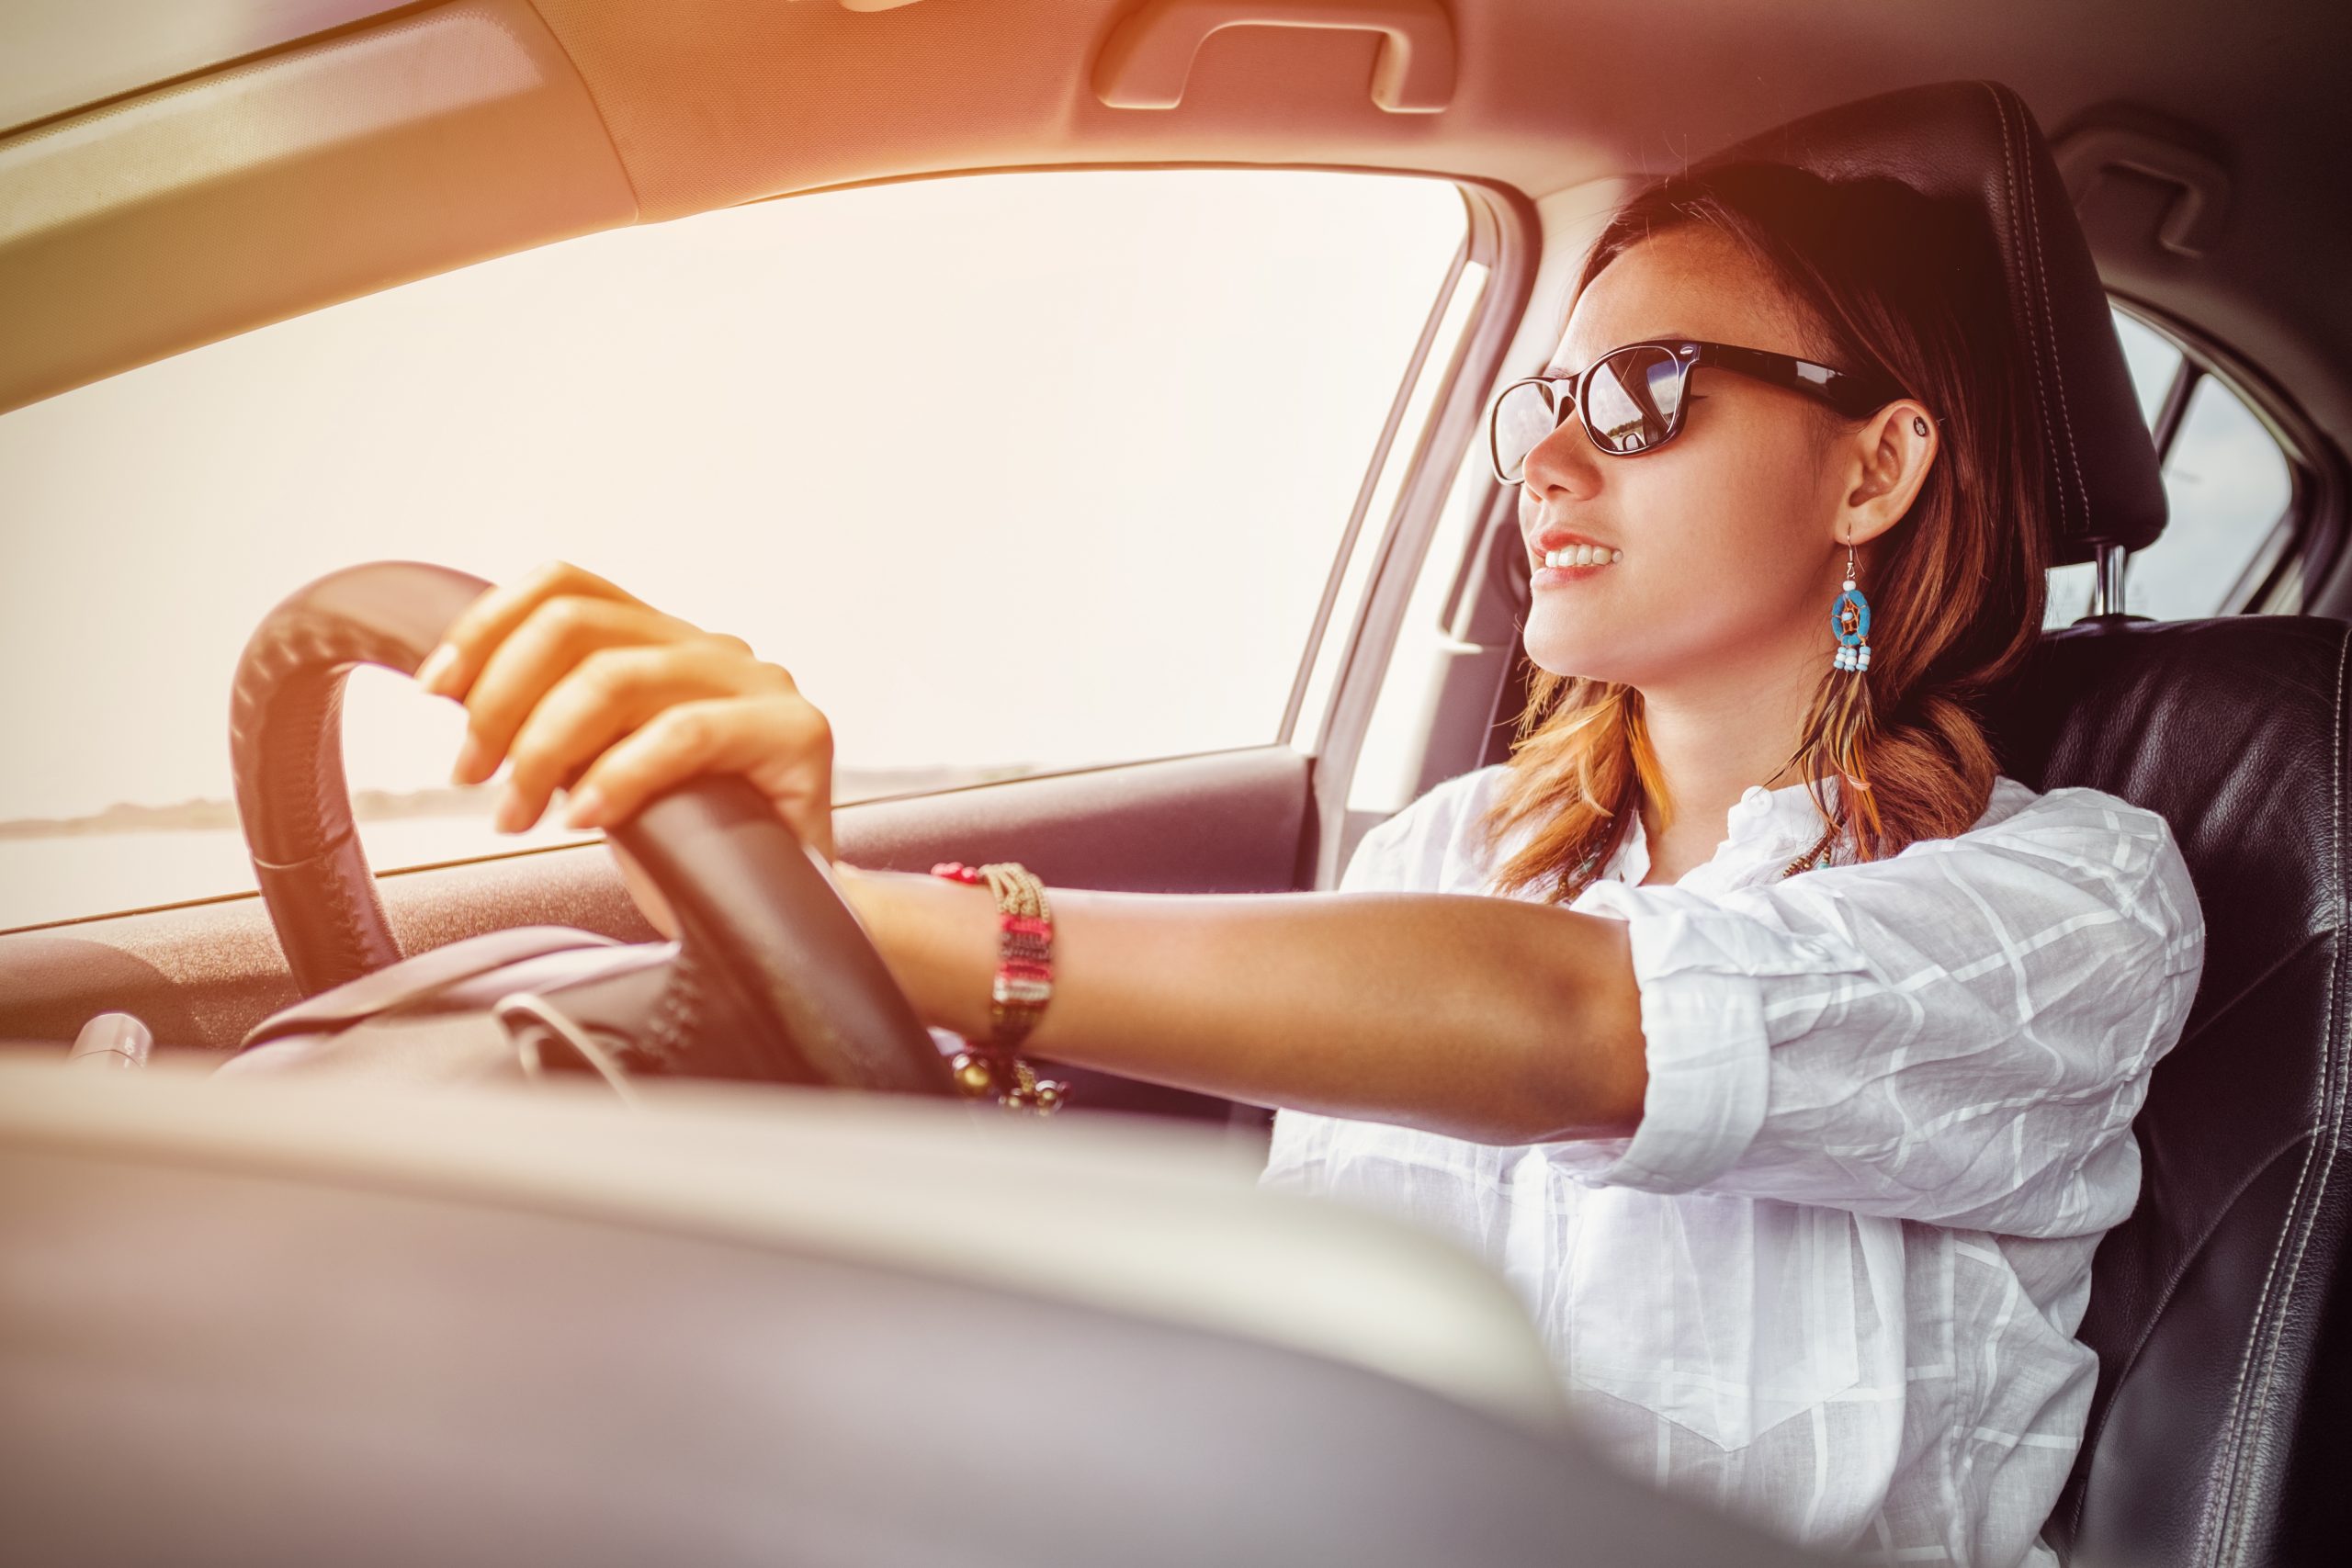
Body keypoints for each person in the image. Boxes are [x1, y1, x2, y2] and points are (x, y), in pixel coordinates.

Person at [408, 161, 2206, 1568]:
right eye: (1539, 404)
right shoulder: (1441, 846)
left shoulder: (2068, 902)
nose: (1552, 455)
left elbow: (1576, 1028)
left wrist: (870, 921)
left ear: (1875, 462)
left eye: (1647, 393)